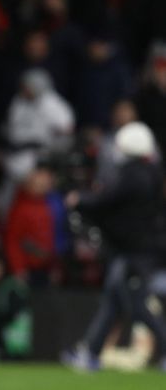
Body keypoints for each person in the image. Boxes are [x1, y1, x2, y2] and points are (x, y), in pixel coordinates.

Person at [62, 122, 166, 371]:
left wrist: (80, 200)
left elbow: (106, 202)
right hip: (137, 248)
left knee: (135, 303)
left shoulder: (133, 175)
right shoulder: (151, 172)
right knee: (114, 299)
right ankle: (91, 352)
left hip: (135, 250)